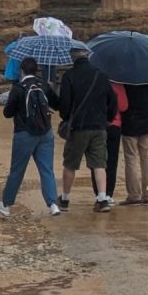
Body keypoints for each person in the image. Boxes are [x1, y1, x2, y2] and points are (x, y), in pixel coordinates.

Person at [0, 58, 61, 218]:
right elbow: (57, 104)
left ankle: (6, 204)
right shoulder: (43, 85)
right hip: (46, 132)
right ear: (36, 70)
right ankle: (53, 204)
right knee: (46, 169)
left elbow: (7, 113)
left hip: (24, 133)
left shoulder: (18, 88)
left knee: (17, 170)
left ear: (21, 71)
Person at [56, 46, 119, 213]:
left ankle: (65, 199)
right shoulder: (102, 75)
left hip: (78, 127)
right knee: (99, 164)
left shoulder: (69, 76)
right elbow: (113, 101)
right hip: (99, 126)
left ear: (72, 58)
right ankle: (102, 198)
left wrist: (66, 117)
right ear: (88, 56)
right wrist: (107, 119)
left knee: (70, 164)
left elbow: (65, 104)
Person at [118, 81, 148, 205]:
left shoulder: (124, 77)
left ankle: (134, 195)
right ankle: (147, 194)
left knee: (131, 157)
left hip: (130, 119)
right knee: (146, 156)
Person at [106, 80, 130, 196]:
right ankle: (109, 193)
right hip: (115, 125)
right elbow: (124, 106)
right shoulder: (118, 85)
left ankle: (99, 192)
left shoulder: (98, 82)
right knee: (112, 161)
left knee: (97, 161)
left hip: (99, 125)